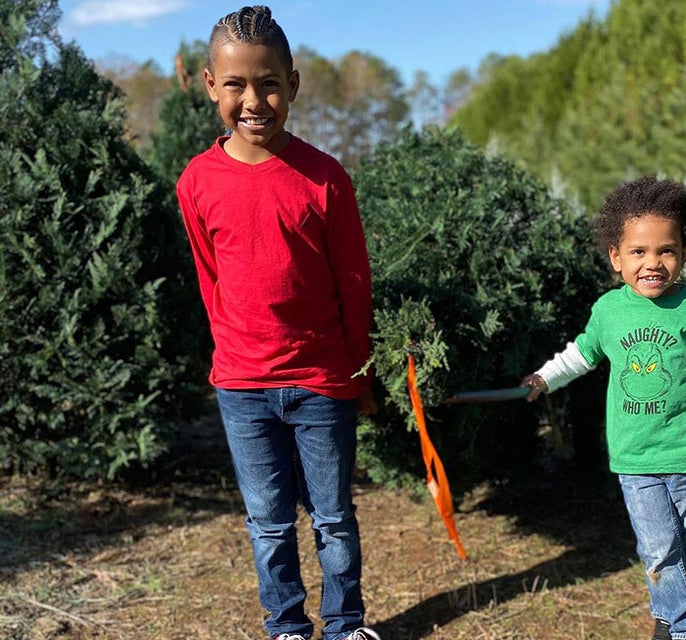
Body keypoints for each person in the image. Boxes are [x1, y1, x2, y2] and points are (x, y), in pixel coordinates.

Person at [176, 6, 381, 640]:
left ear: (292, 84)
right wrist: (233, 359)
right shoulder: (197, 182)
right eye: (236, 85)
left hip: (323, 382)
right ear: (211, 85)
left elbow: (353, 285)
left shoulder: (325, 178)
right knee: (266, 522)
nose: (253, 100)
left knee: (333, 518)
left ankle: (346, 626)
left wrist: (359, 371)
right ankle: (286, 625)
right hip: (242, 387)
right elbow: (211, 282)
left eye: (268, 83)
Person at [521, 176, 686, 640]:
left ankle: (667, 619)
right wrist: (544, 378)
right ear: (616, 257)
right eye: (639, 252)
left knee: (684, 543)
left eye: (666, 250)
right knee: (659, 545)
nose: (653, 263)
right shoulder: (609, 311)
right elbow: (581, 354)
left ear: (684, 253)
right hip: (635, 454)